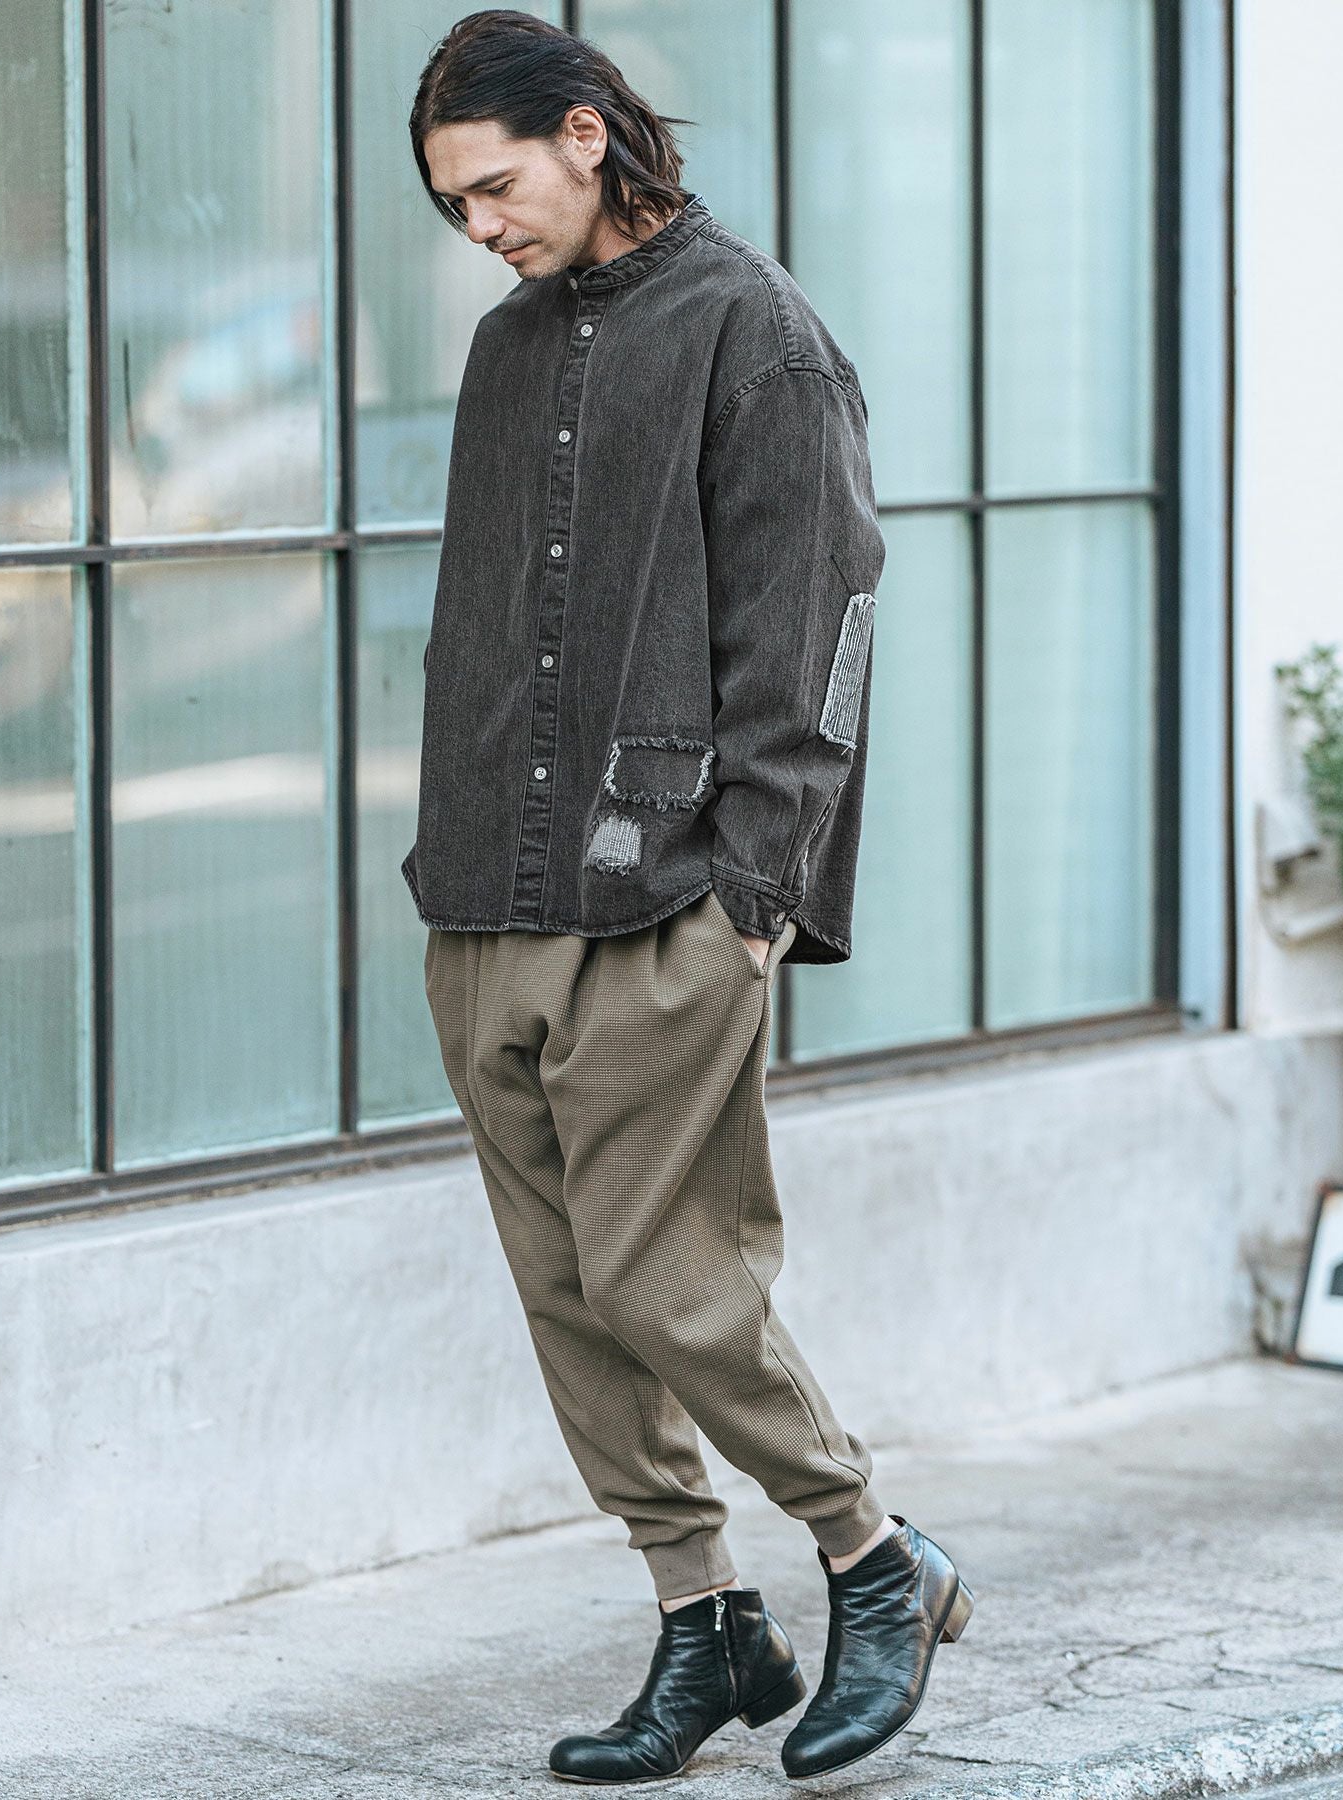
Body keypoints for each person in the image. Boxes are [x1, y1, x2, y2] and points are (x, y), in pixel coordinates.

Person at [402, 10, 973, 1783]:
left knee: (666, 1282)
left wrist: (757, 898)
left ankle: (873, 1556)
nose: (481, 226)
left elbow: (825, 627)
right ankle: (705, 1621)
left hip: (669, 898)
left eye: (496, 185)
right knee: (567, 1297)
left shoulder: (758, 333)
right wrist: (447, 856)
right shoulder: (506, 348)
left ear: (587, 134)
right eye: (453, 205)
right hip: (486, 901)